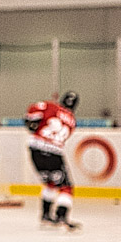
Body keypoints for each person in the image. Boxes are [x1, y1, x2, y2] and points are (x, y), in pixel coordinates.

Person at [25, 91, 79, 229]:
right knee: (66, 187)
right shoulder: (72, 121)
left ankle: (45, 215)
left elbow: (31, 113)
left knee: (50, 183)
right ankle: (61, 216)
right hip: (54, 153)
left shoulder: (50, 106)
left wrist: (31, 124)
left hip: (35, 150)